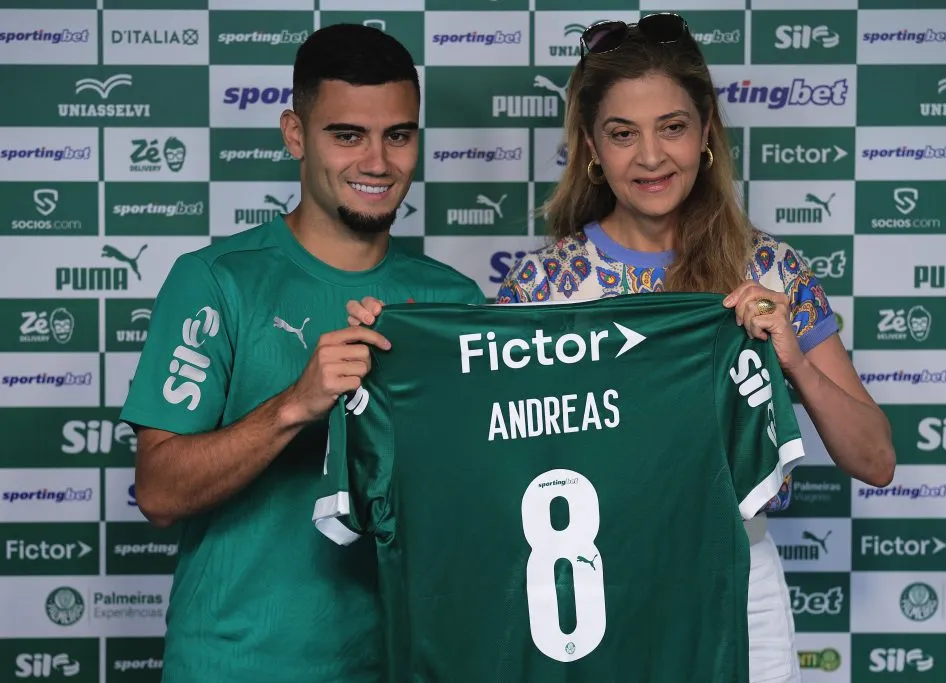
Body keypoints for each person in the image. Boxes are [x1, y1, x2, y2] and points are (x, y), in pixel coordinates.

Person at [346, 13, 895, 683]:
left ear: (706, 132)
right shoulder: (541, 287)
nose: (651, 157)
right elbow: (486, 455)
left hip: (736, 579)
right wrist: (407, 354)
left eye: (672, 127)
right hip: (596, 585)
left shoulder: (771, 270)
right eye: (623, 134)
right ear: (593, 148)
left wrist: (795, 361)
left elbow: (876, 460)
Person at [119, 23, 484, 683]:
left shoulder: (452, 300)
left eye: (398, 135)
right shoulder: (217, 280)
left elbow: (478, 494)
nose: (377, 162)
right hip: (235, 665)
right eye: (347, 135)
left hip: (399, 663)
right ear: (295, 134)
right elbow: (159, 491)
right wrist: (296, 403)